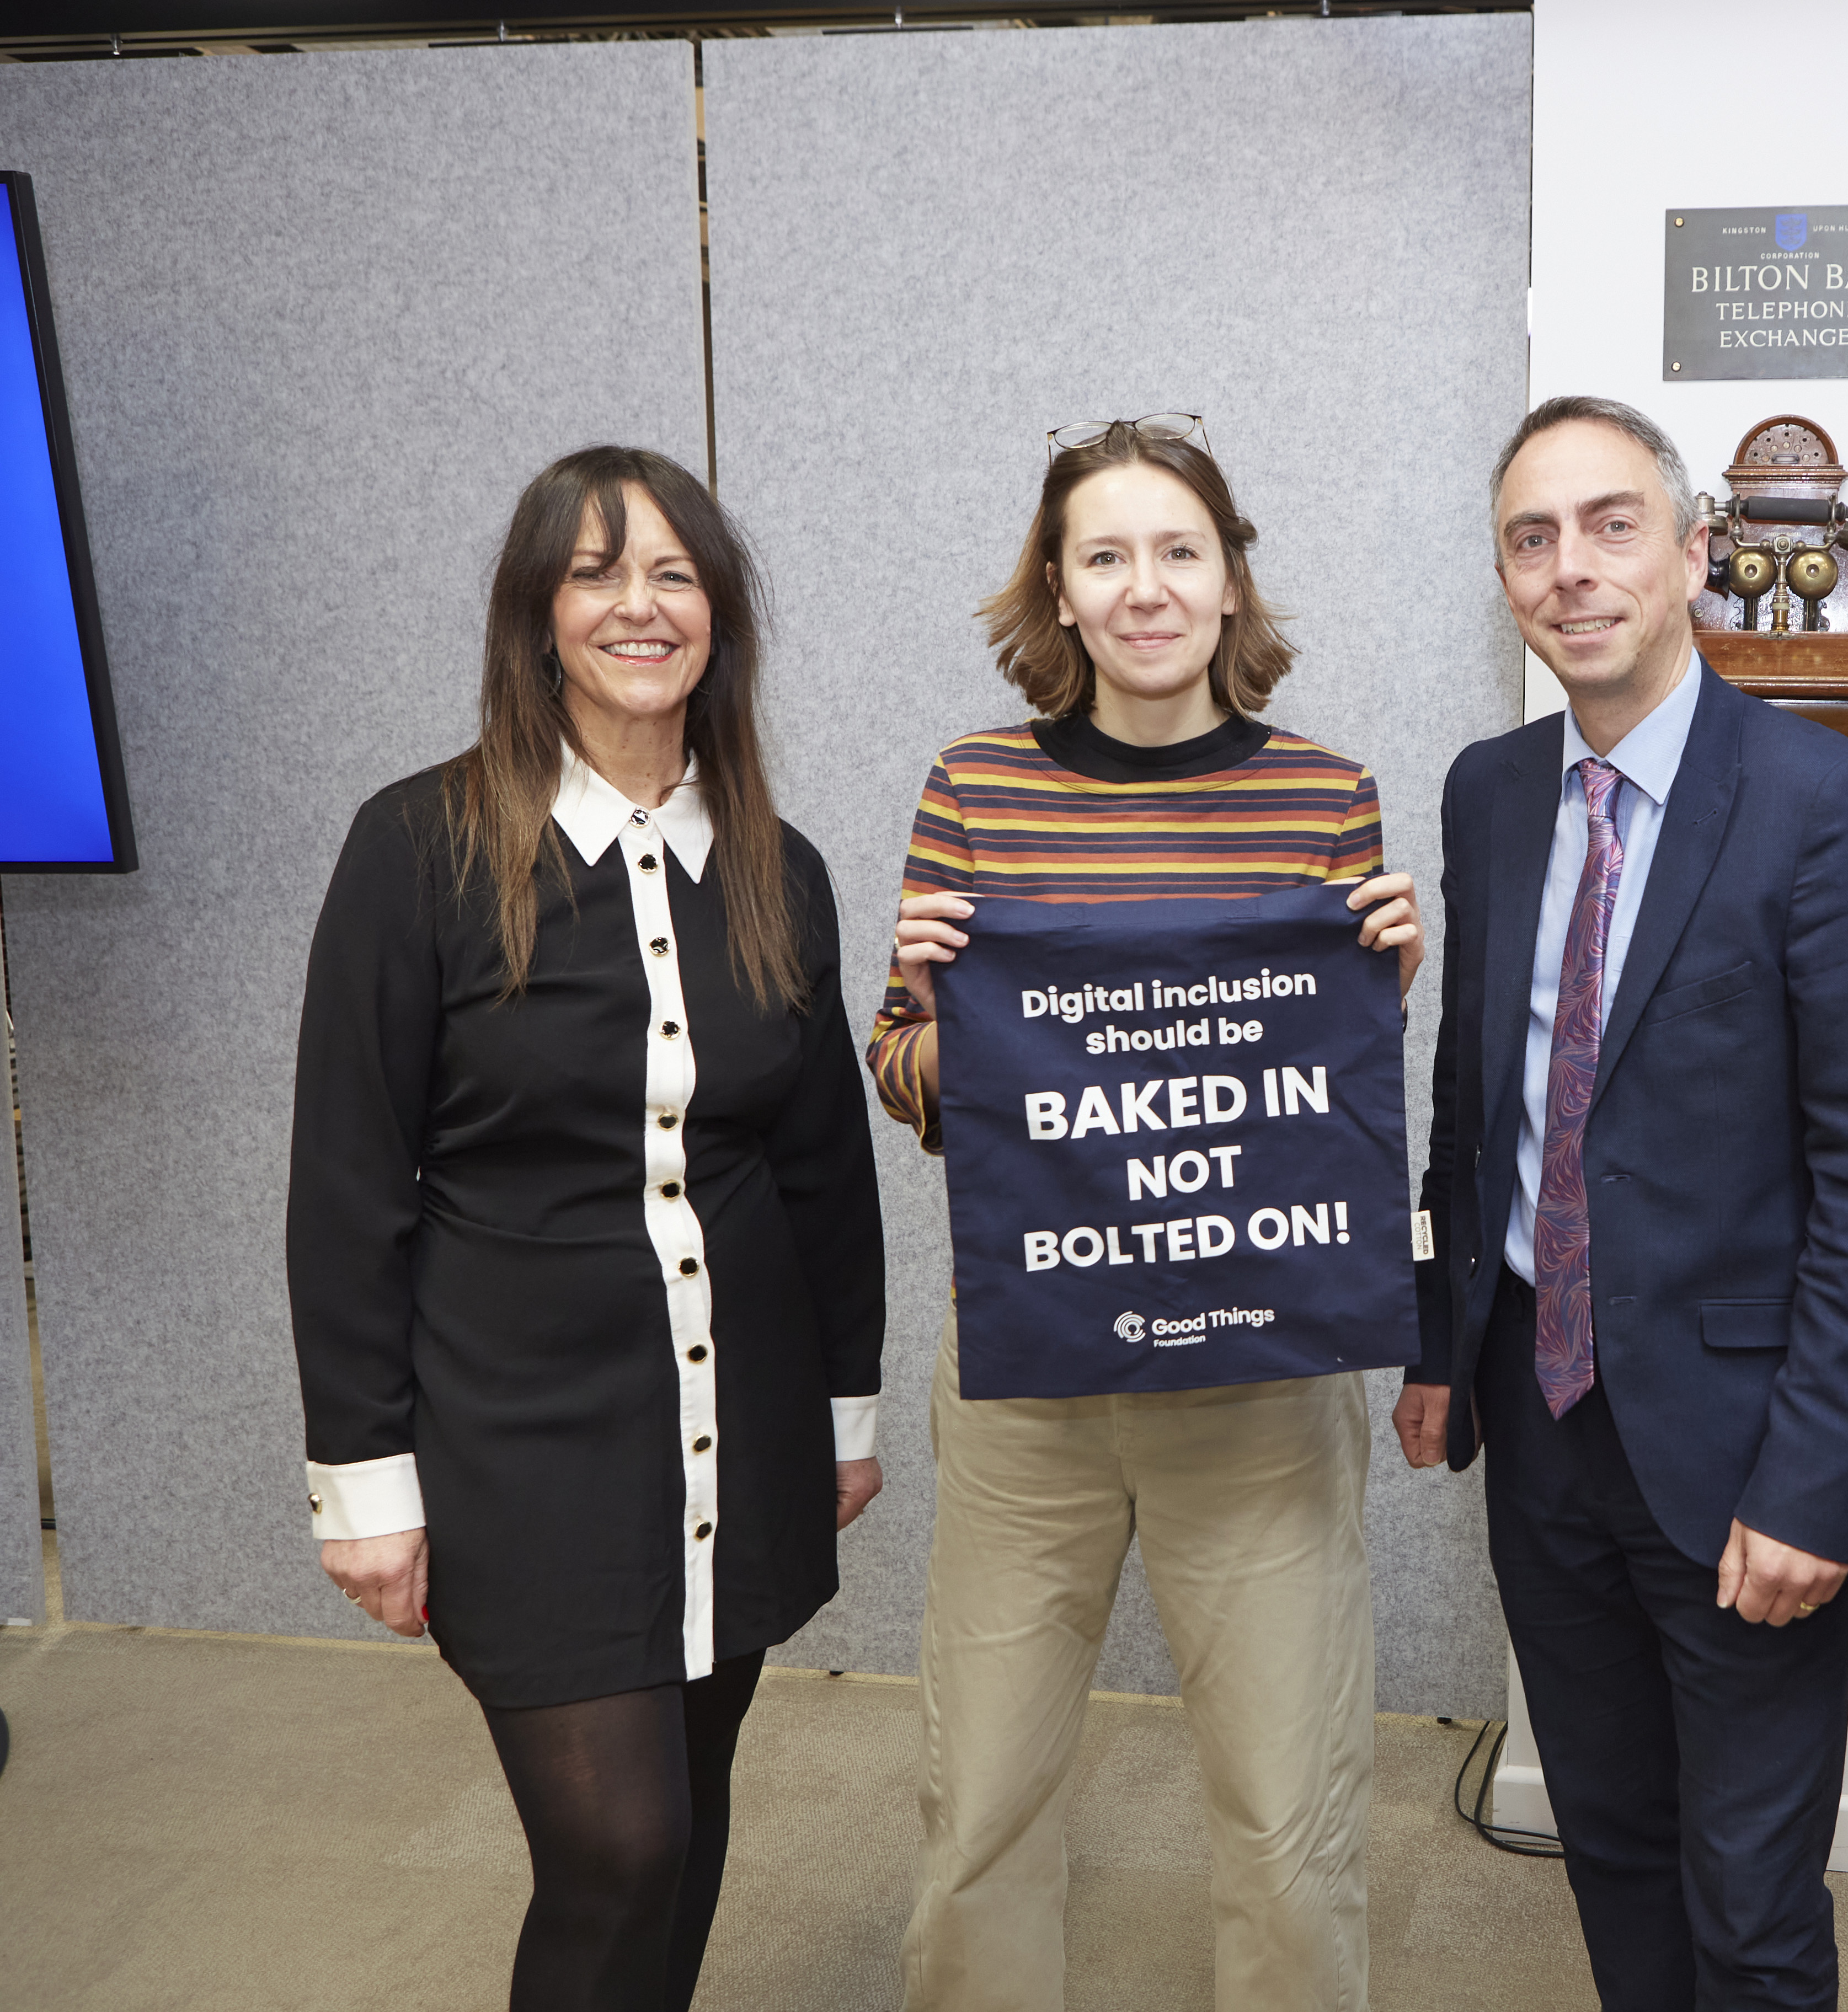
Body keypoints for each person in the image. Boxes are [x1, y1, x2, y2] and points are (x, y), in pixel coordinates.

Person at [288, 445, 888, 2011]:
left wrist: (845, 1408)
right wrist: (363, 1481)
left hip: (737, 1420)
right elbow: (349, 1189)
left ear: (720, 618)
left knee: (687, 1829)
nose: (642, 604)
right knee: (616, 1848)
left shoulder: (777, 868)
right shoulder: (418, 849)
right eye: (598, 572)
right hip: (522, 1441)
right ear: (536, 616)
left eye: (677, 574)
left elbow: (825, 1165)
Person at [1393, 395, 1848, 2009]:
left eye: (1613, 524)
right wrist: (1438, 1339)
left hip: (1742, 1447)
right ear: (1504, 578)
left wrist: (1816, 1476)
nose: (1574, 569)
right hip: (1539, 1418)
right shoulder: (1490, 791)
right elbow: (1472, 1096)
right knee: (1613, 1848)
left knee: (1753, 1904)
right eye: (1532, 537)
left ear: (1696, 551)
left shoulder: (1826, 803)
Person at [873, 413, 1420, 2011]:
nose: (1145, 587)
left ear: (1232, 578)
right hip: (1029, 1376)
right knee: (982, 1802)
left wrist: (1380, 986)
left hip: (1260, 1383)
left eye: (1179, 550)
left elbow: (1320, 1097)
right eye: (1105, 555)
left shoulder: (1328, 796)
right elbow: (896, 1066)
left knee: (1285, 1806)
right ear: (1056, 586)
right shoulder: (973, 786)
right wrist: (957, 1030)